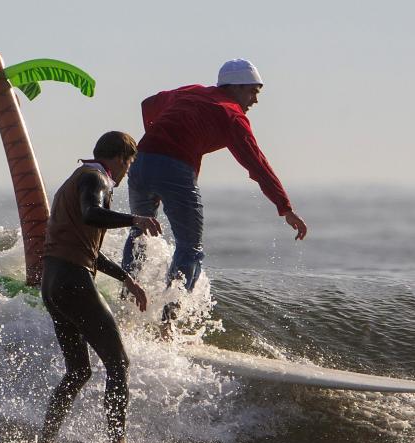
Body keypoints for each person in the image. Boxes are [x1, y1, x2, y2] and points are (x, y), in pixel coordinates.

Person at [122, 58, 308, 295]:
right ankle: (167, 326)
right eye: (252, 91)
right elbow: (258, 165)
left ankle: (127, 300)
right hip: (175, 170)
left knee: (140, 233)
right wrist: (285, 208)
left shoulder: (192, 91)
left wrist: (156, 148)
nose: (255, 99)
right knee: (190, 249)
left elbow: (148, 104)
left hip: (141, 161)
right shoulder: (232, 116)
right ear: (235, 87)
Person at [40, 131, 162, 443]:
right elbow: (93, 213)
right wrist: (134, 219)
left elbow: (87, 251)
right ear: (122, 158)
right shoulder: (96, 178)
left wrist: (128, 280)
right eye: (129, 164)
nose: (126, 174)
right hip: (72, 281)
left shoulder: (79, 177)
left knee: (78, 371)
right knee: (118, 363)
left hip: (53, 282)